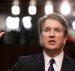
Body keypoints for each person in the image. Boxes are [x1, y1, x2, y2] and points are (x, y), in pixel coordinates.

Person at [8, 13, 75, 71]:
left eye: (57, 30)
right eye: (47, 30)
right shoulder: (25, 64)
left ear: (65, 38)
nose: (51, 34)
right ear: (41, 37)